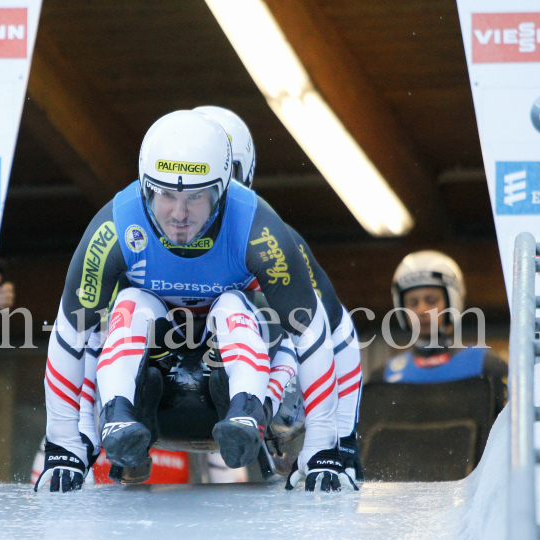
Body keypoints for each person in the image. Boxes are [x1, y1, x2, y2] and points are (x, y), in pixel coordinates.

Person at [36, 110, 347, 493]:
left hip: (242, 366)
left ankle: (249, 409)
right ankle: (117, 416)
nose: (180, 215)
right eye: (166, 194)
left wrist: (327, 447)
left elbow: (320, 331)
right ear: (144, 185)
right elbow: (71, 332)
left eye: (196, 197)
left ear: (226, 188)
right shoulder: (114, 226)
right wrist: (63, 446)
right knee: (128, 303)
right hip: (152, 372)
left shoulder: (260, 230)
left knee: (233, 305)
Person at [193, 106, 364, 483]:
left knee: (261, 312)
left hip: (269, 376)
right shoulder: (142, 234)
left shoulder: (271, 238)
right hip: (179, 377)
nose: (201, 199)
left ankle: (257, 406)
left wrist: (342, 441)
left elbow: (336, 327)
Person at [373, 250, 507, 412]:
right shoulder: (382, 378)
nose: (422, 310)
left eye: (431, 300)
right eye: (413, 302)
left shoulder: (488, 366)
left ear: (453, 302)